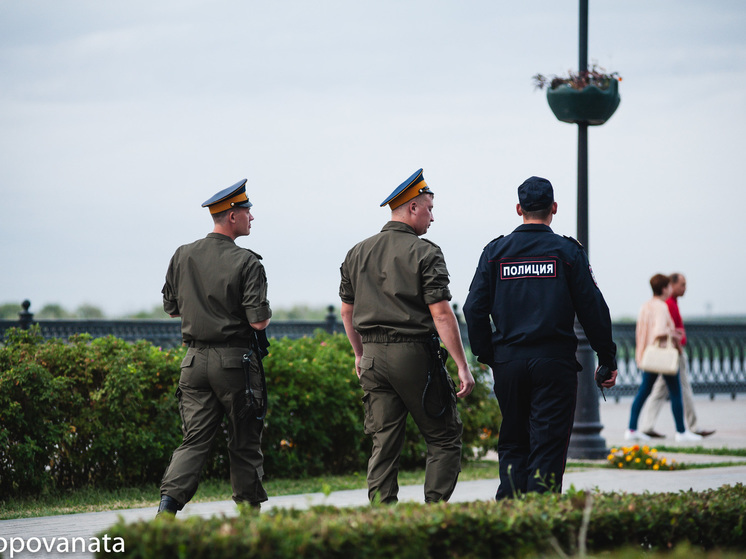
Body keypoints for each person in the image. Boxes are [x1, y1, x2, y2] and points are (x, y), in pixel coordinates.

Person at [462, 176, 617, 500]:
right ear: (554, 209)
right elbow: (593, 309)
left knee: (514, 442)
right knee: (548, 446)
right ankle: (540, 519)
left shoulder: (495, 252)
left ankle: (510, 518)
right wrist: (606, 359)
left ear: (519, 209)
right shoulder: (567, 252)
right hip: (554, 365)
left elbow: (473, 308)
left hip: (509, 364)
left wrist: (489, 355)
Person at [339, 168, 475, 504]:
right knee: (444, 436)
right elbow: (441, 313)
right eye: (429, 208)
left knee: (383, 442)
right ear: (413, 208)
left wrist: (358, 354)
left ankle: (384, 520)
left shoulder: (357, 251)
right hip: (412, 355)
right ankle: (432, 515)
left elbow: (347, 311)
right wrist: (462, 365)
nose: (433, 217)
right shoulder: (426, 252)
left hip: (371, 355)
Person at [157, 178, 272, 516]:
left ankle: (166, 509)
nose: (252, 218)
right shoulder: (248, 262)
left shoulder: (183, 254)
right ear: (232, 215)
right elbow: (258, 322)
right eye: (248, 211)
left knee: (193, 440)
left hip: (193, 363)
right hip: (235, 363)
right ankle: (250, 518)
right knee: (244, 440)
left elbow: (172, 308)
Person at [625, 274, 702, 442]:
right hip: (662, 355)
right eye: (668, 287)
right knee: (676, 392)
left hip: (649, 356)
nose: (669, 290)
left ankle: (631, 429)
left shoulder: (645, 306)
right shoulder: (661, 307)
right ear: (664, 288)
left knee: (643, 392)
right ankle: (681, 432)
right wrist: (674, 334)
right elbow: (659, 331)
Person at [639, 273, 715, 438]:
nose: (685, 288)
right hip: (671, 354)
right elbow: (662, 330)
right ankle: (688, 429)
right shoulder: (666, 305)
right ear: (670, 286)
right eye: (682, 284)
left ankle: (647, 426)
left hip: (665, 355)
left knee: (658, 391)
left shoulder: (668, 304)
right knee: (681, 390)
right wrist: (677, 343)